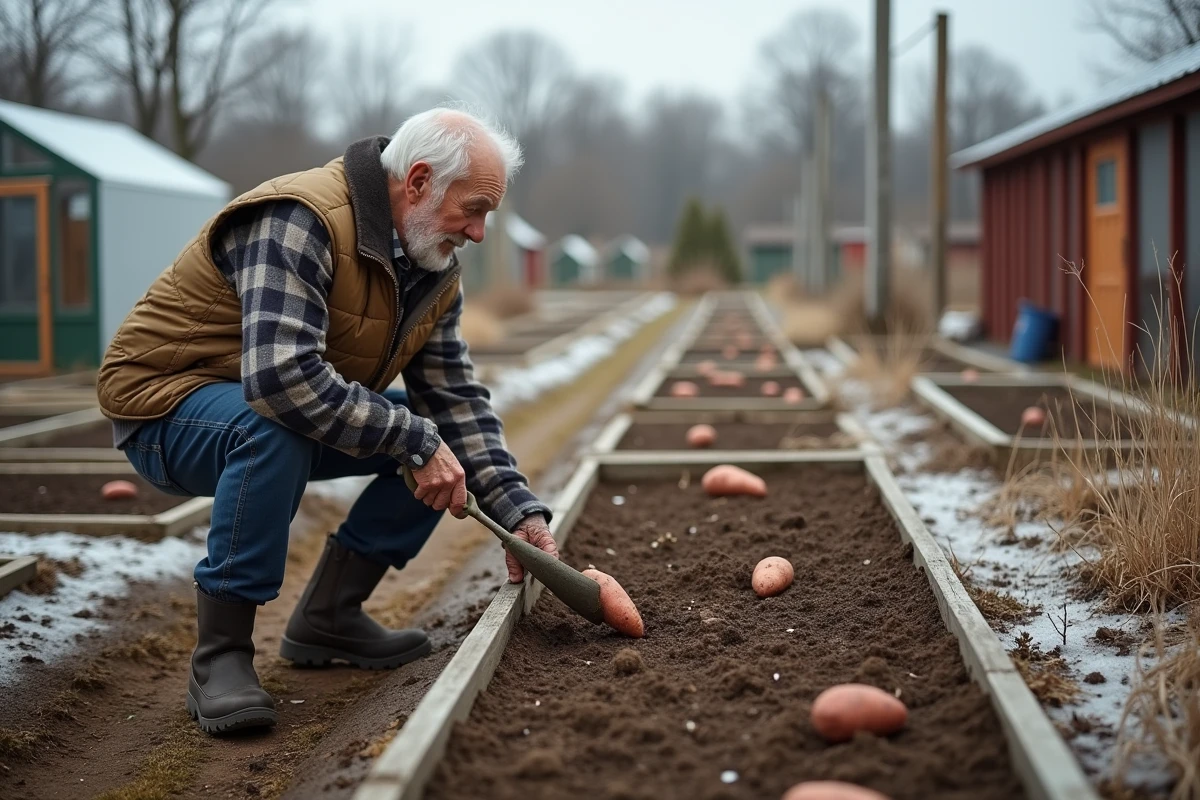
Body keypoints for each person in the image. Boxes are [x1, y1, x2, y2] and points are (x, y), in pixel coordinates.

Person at [95, 108, 557, 735]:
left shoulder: (433, 266)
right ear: (418, 181)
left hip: (263, 401)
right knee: (281, 426)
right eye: (473, 209)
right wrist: (413, 438)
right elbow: (281, 380)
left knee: (436, 442)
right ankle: (221, 656)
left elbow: (454, 399)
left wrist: (518, 515)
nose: (478, 233)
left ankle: (330, 617)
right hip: (165, 405)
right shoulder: (299, 218)